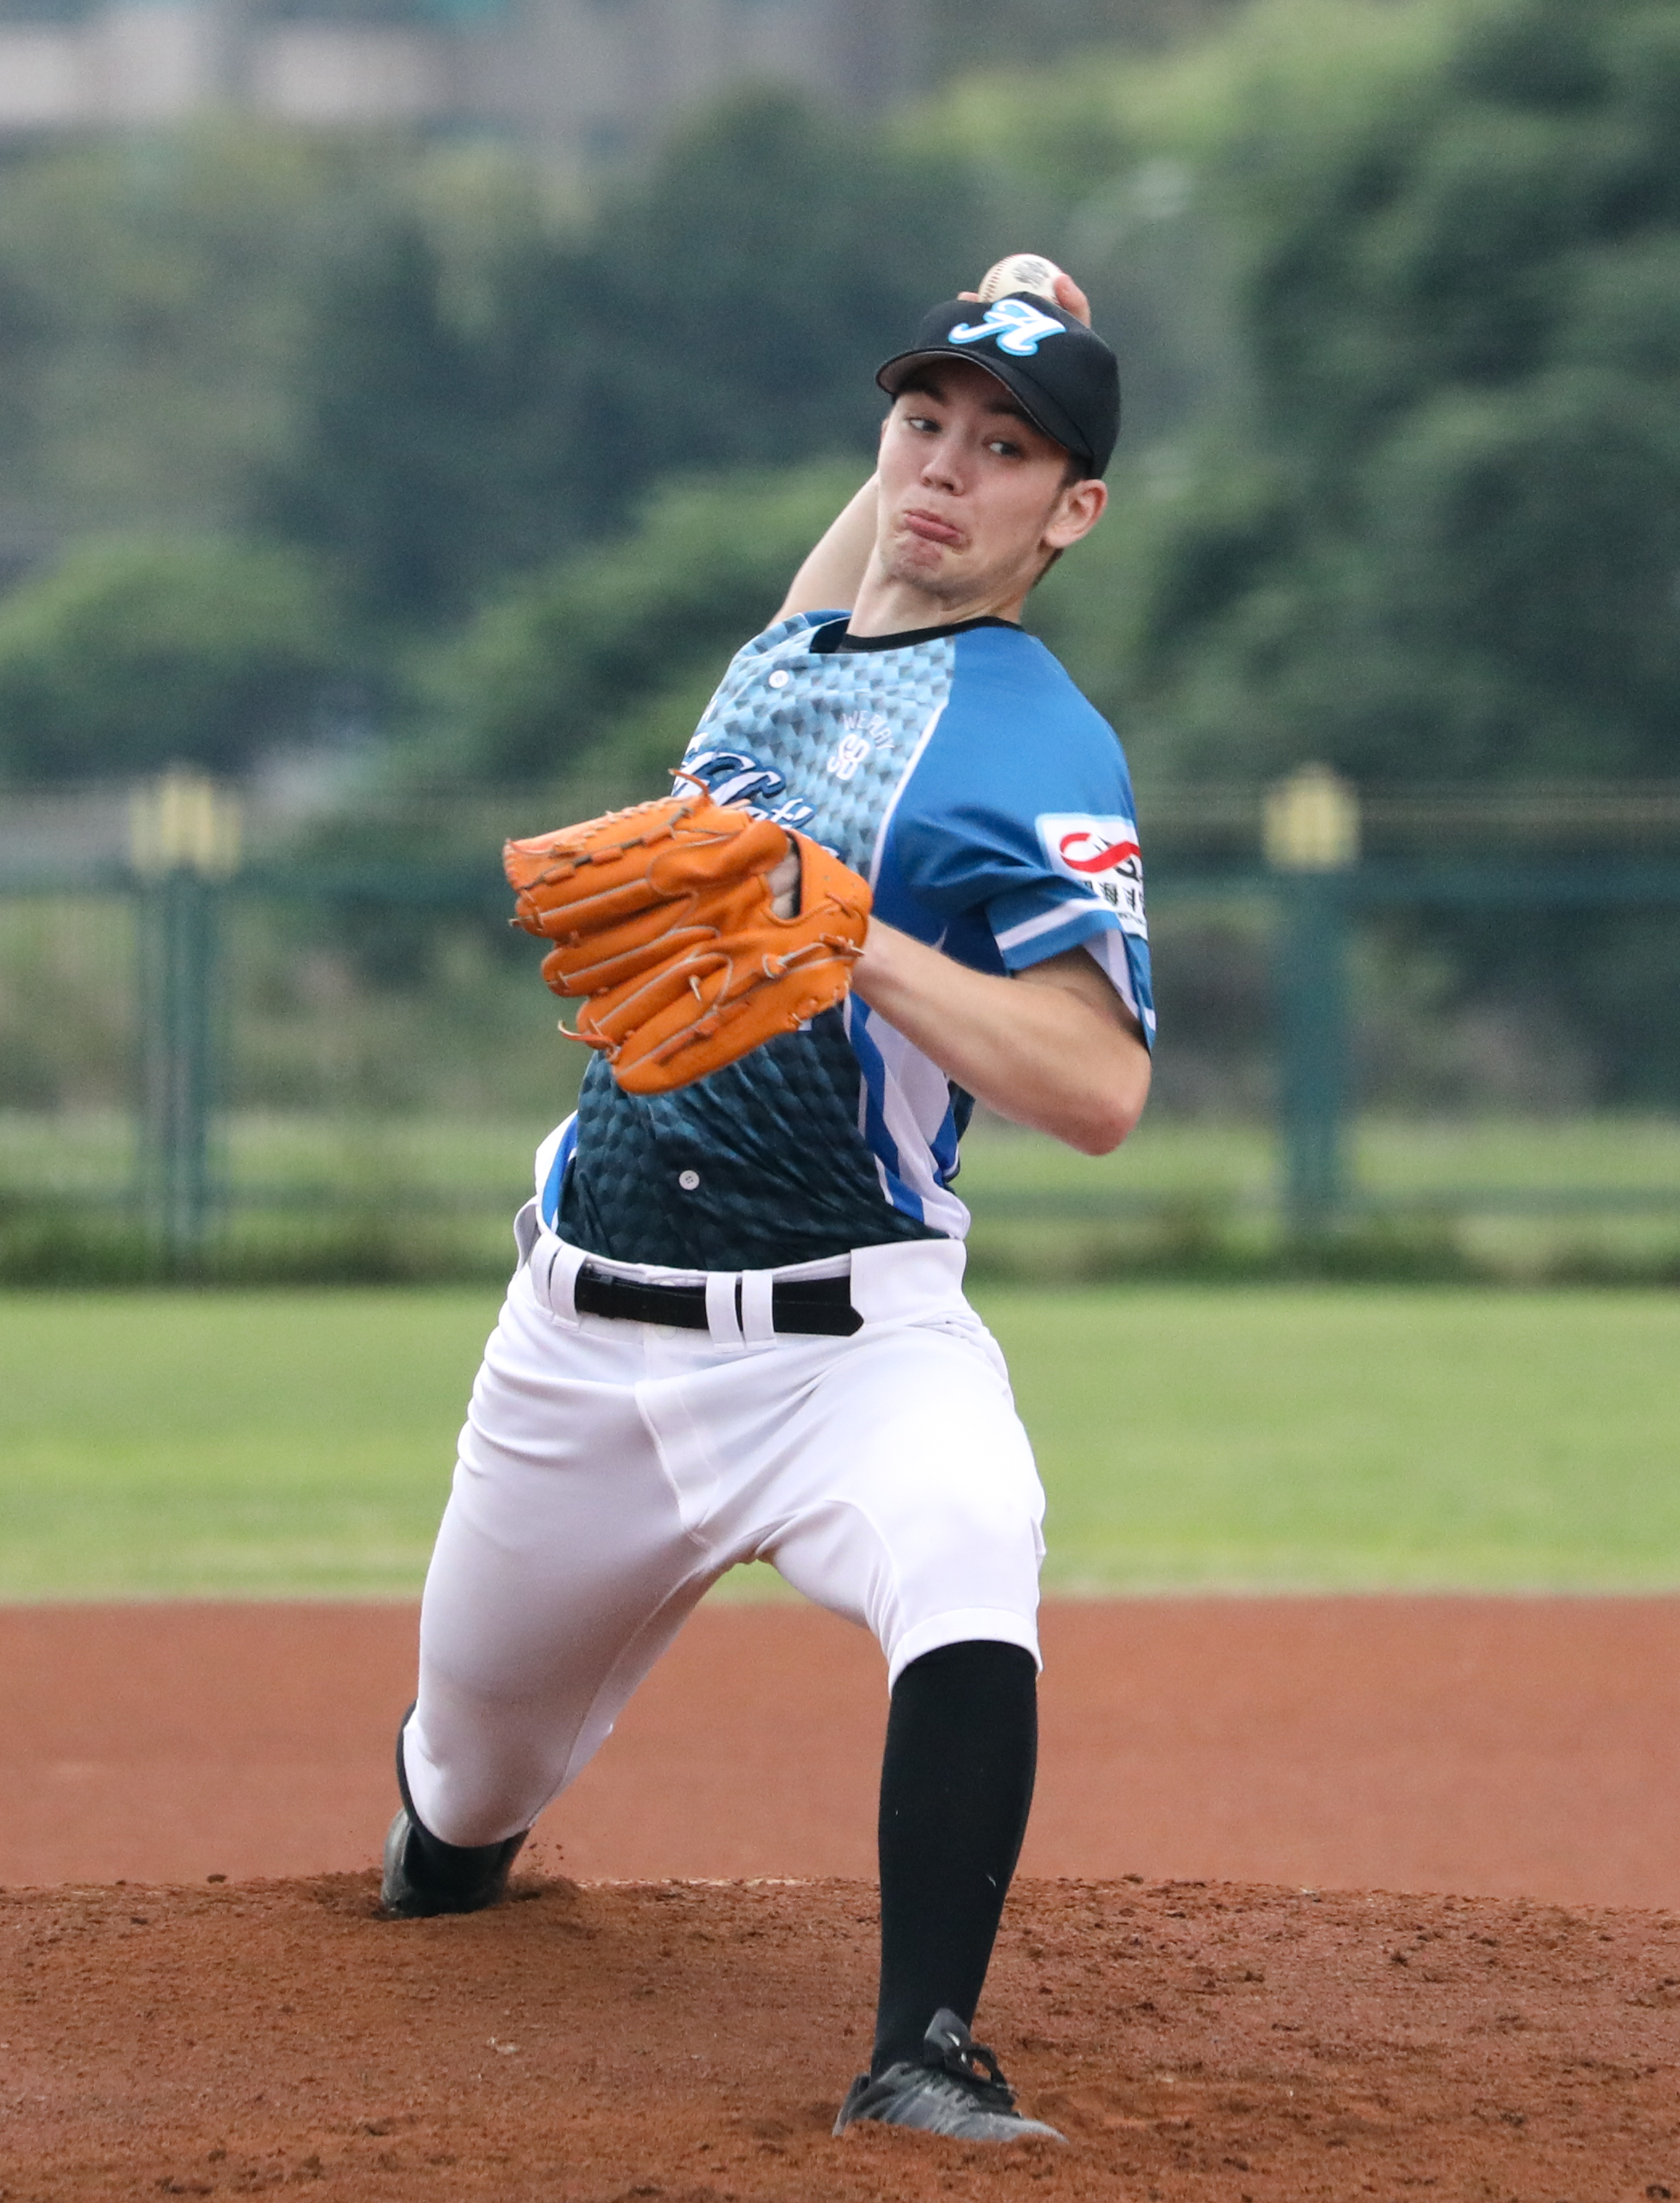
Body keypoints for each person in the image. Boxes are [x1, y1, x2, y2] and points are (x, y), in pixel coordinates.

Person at [379, 260, 1151, 2147]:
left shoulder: (1040, 746)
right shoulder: (786, 661)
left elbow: (1100, 1090)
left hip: (844, 1344)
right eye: (921, 426)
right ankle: (447, 1863)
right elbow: (873, 567)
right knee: (463, 1791)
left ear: (1072, 513)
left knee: (970, 1542)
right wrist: (1003, 315)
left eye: (1003, 452)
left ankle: (922, 2054)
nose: (943, 470)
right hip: (577, 1338)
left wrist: (858, 940)